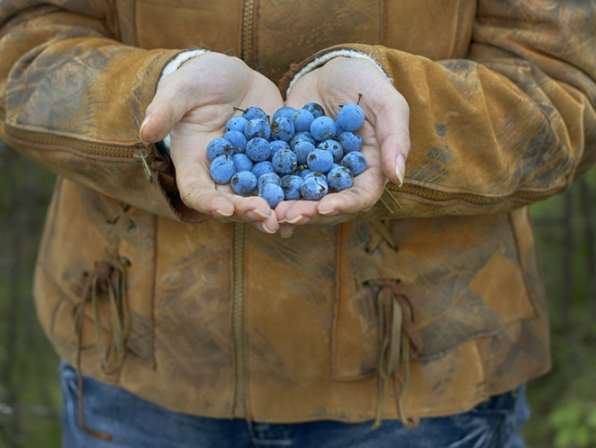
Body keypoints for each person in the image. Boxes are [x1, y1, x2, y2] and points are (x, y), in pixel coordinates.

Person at [1, 0, 595, 447]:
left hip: (418, 380)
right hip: (134, 367)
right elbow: (20, 38)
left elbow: (568, 91)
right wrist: (157, 91)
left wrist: (394, 103)